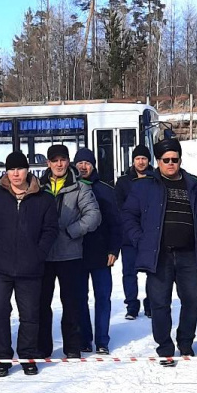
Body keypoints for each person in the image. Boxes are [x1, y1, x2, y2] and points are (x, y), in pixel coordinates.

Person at [122, 137, 197, 366]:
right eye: (165, 160)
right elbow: (128, 216)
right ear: (157, 161)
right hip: (158, 254)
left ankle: (185, 341)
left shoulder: (195, 186)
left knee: (193, 298)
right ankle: (165, 347)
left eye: (175, 159)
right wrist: (140, 239)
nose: (171, 163)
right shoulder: (143, 186)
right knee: (160, 302)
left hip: (188, 253)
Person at [0, 152, 59, 377]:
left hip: (30, 268)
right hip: (0, 267)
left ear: (27, 170)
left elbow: (51, 229)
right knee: (0, 311)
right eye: (11, 169)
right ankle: (2, 358)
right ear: (6, 171)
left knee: (31, 313)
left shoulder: (43, 198)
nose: (16, 173)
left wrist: (39, 252)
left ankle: (27, 355)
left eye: (20, 169)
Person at [36, 144, 101, 359]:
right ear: (48, 163)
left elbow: (93, 216)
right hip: (43, 256)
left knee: (72, 303)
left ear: (68, 161)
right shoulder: (37, 186)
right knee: (41, 304)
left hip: (70, 254)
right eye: (54, 160)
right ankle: (43, 347)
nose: (59, 164)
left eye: (62, 159)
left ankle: (72, 346)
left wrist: (72, 231)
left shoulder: (80, 188)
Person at [74, 148, 122, 354]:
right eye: (79, 163)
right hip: (76, 253)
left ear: (93, 165)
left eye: (87, 163)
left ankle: (102, 340)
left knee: (103, 298)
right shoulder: (70, 187)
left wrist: (114, 249)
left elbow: (116, 223)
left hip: (102, 254)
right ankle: (85, 338)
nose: (83, 167)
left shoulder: (105, 190)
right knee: (79, 298)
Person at [115, 144, 154, 319]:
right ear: (133, 161)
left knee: (152, 272)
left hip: (150, 234)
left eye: (144, 158)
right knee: (129, 272)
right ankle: (131, 305)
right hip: (128, 235)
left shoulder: (156, 179)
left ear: (149, 160)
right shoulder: (123, 182)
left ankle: (150, 303)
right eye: (138, 158)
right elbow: (120, 207)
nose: (141, 162)